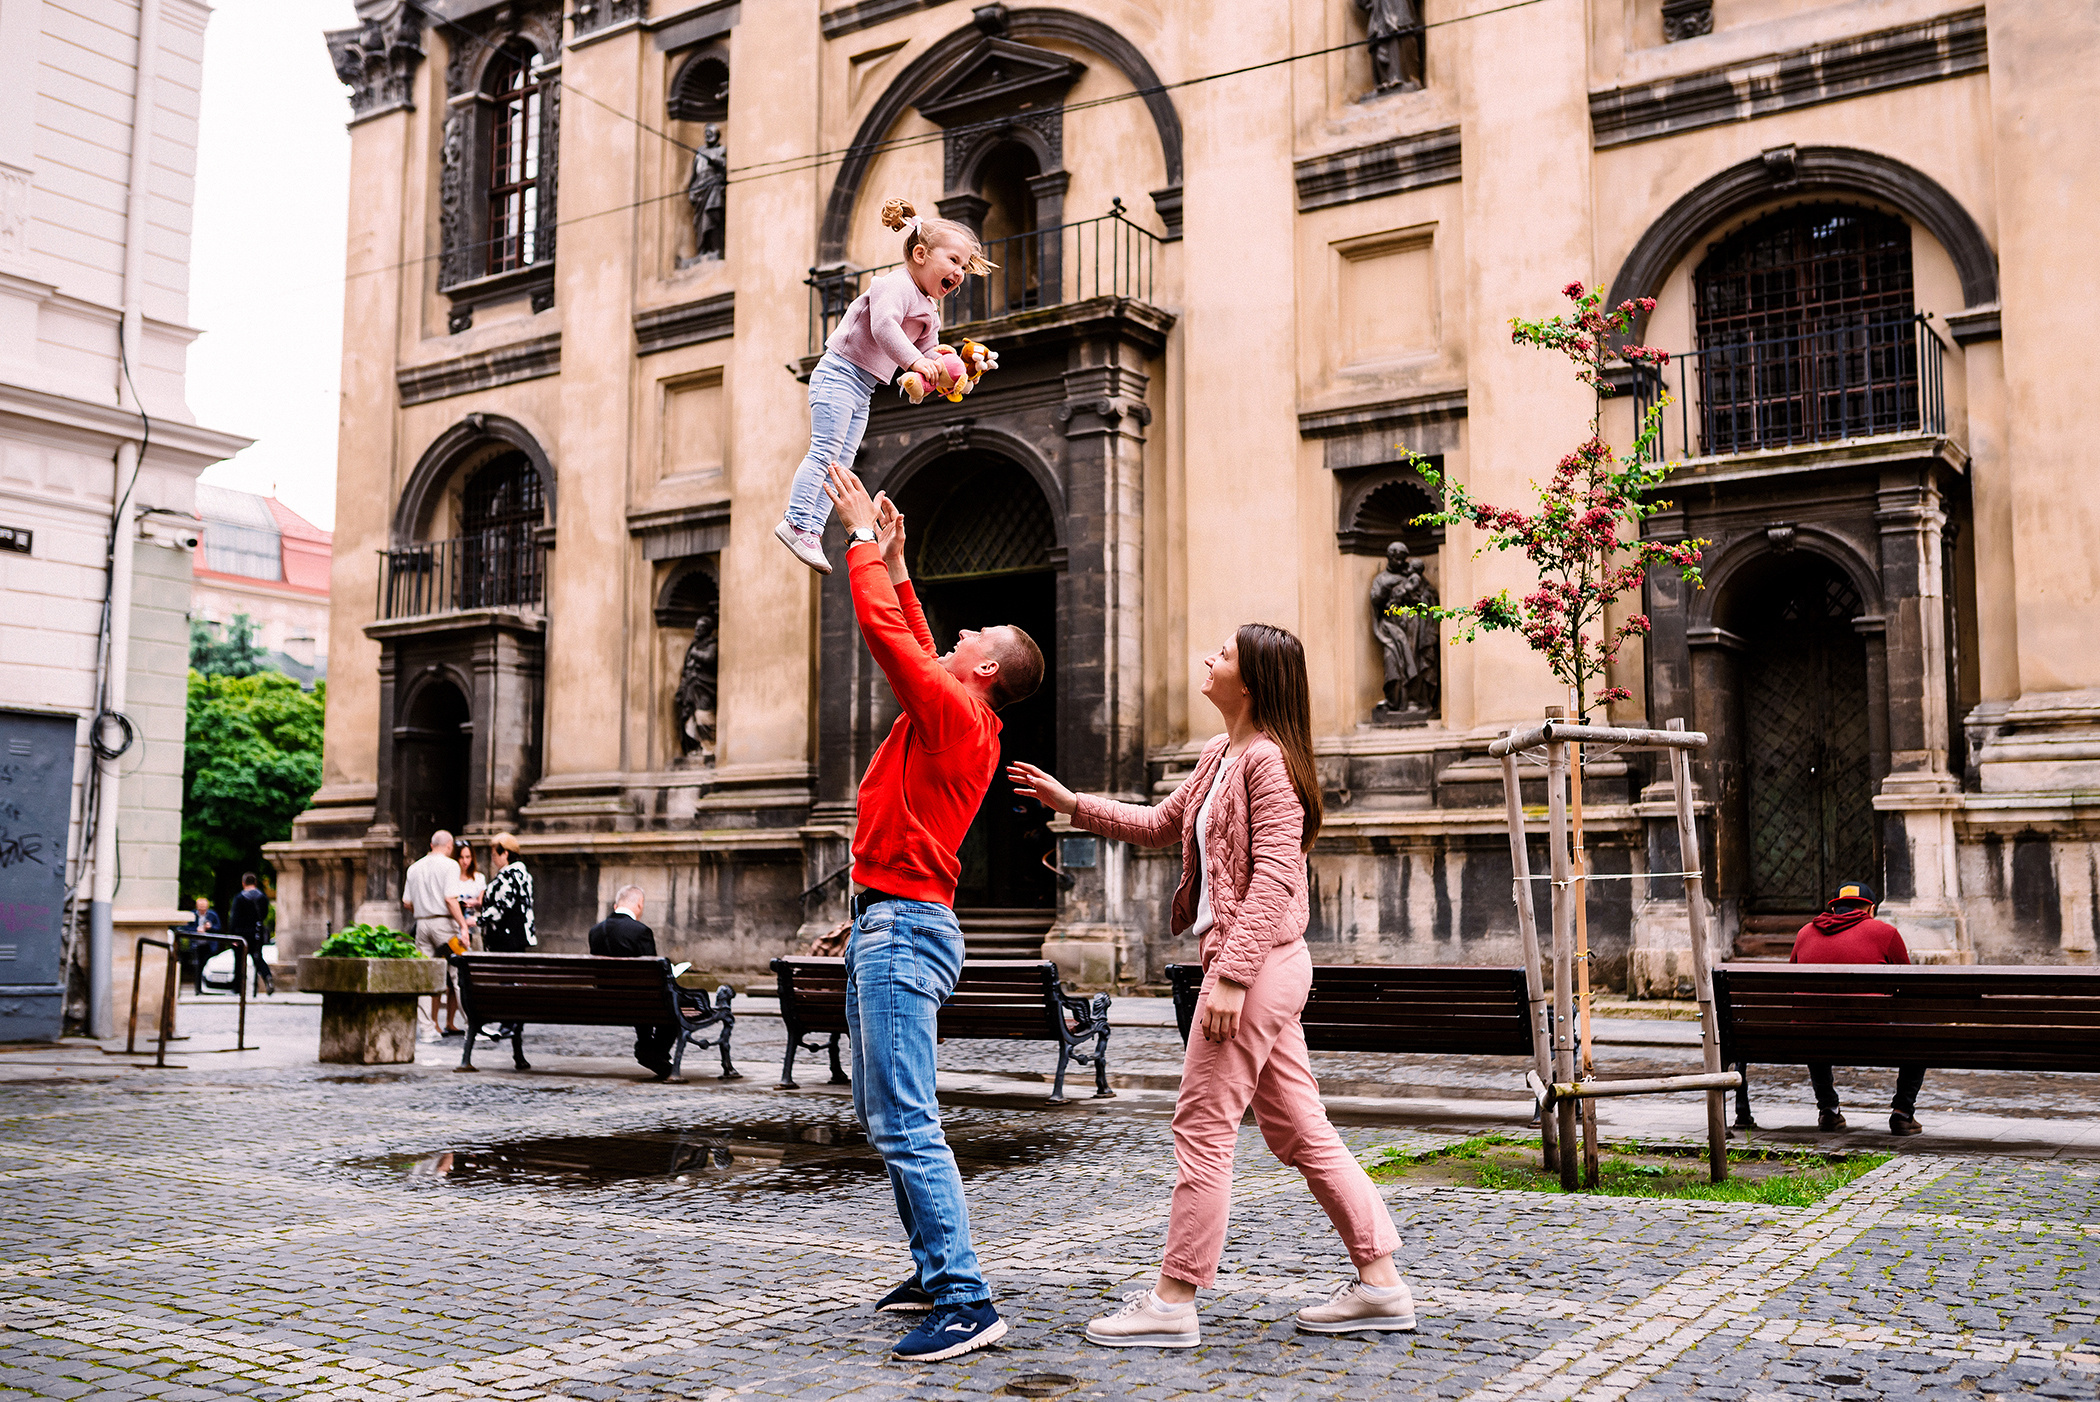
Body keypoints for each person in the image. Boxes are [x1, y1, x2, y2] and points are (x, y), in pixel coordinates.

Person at [1009, 624, 1412, 1349]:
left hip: (1255, 969)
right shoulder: (1219, 755)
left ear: (1251, 682)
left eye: (1222, 655)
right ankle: (1380, 1284)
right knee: (1301, 1132)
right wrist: (1074, 805)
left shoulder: (1270, 763)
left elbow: (1276, 880)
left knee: (1201, 1129)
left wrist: (1227, 978)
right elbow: (1164, 824)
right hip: (1256, 969)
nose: (1207, 660)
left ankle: (1173, 1300)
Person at [822, 461, 1043, 1362]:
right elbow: (918, 647)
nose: (957, 629)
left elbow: (892, 643)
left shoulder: (956, 713)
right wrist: (905, 568)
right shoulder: (962, 713)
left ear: (984, 667)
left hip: (905, 927)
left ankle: (965, 1297)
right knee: (889, 1115)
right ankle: (933, 1266)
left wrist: (862, 545)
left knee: (907, 1119)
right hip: (894, 918)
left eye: (974, 631)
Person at [774, 198, 993, 575]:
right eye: (954, 261)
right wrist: (914, 362)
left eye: (963, 267)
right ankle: (796, 522)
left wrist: (957, 372)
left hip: (864, 388)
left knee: (842, 463)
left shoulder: (928, 307)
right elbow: (884, 327)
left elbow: (930, 354)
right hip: (839, 373)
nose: (959, 273)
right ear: (921, 253)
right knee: (825, 450)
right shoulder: (893, 285)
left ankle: (811, 529)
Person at [1792, 880, 1925, 1136]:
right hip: (1871, 1035)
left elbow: (1793, 985)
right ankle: (1902, 1112)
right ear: (1870, 909)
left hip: (1812, 1036)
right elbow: (1909, 988)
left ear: (1834, 910)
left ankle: (1828, 1109)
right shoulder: (1885, 933)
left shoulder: (1805, 933)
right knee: (1921, 1029)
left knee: (1812, 1017)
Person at [588, 886, 676, 1079]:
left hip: (604, 1001)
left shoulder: (595, 931)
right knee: (674, 1006)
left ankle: (648, 1049)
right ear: (639, 904)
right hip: (638, 1002)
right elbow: (653, 974)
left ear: (615, 905)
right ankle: (651, 1051)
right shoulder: (641, 931)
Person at [402, 830, 469, 1036]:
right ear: (449, 846)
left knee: (424, 976)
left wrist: (424, 910)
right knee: (462, 973)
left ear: (432, 845)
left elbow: (407, 902)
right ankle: (472, 1022)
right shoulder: (450, 865)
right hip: (445, 927)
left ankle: (427, 1029)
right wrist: (463, 926)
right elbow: (451, 899)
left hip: (422, 925)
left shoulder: (414, 867)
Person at [226, 872, 275, 995]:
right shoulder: (262, 897)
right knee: (258, 958)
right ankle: (267, 976)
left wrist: (232, 935)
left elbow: (234, 918)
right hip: (256, 933)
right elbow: (264, 915)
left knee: (239, 961)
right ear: (255, 883)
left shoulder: (239, 898)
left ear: (243, 883)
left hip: (240, 934)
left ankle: (238, 988)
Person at [454, 841, 487, 944]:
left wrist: (475, 903)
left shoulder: (479, 878)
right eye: (461, 857)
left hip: (473, 925)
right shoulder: (451, 878)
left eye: (468, 857)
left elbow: (482, 905)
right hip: (454, 925)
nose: (465, 861)